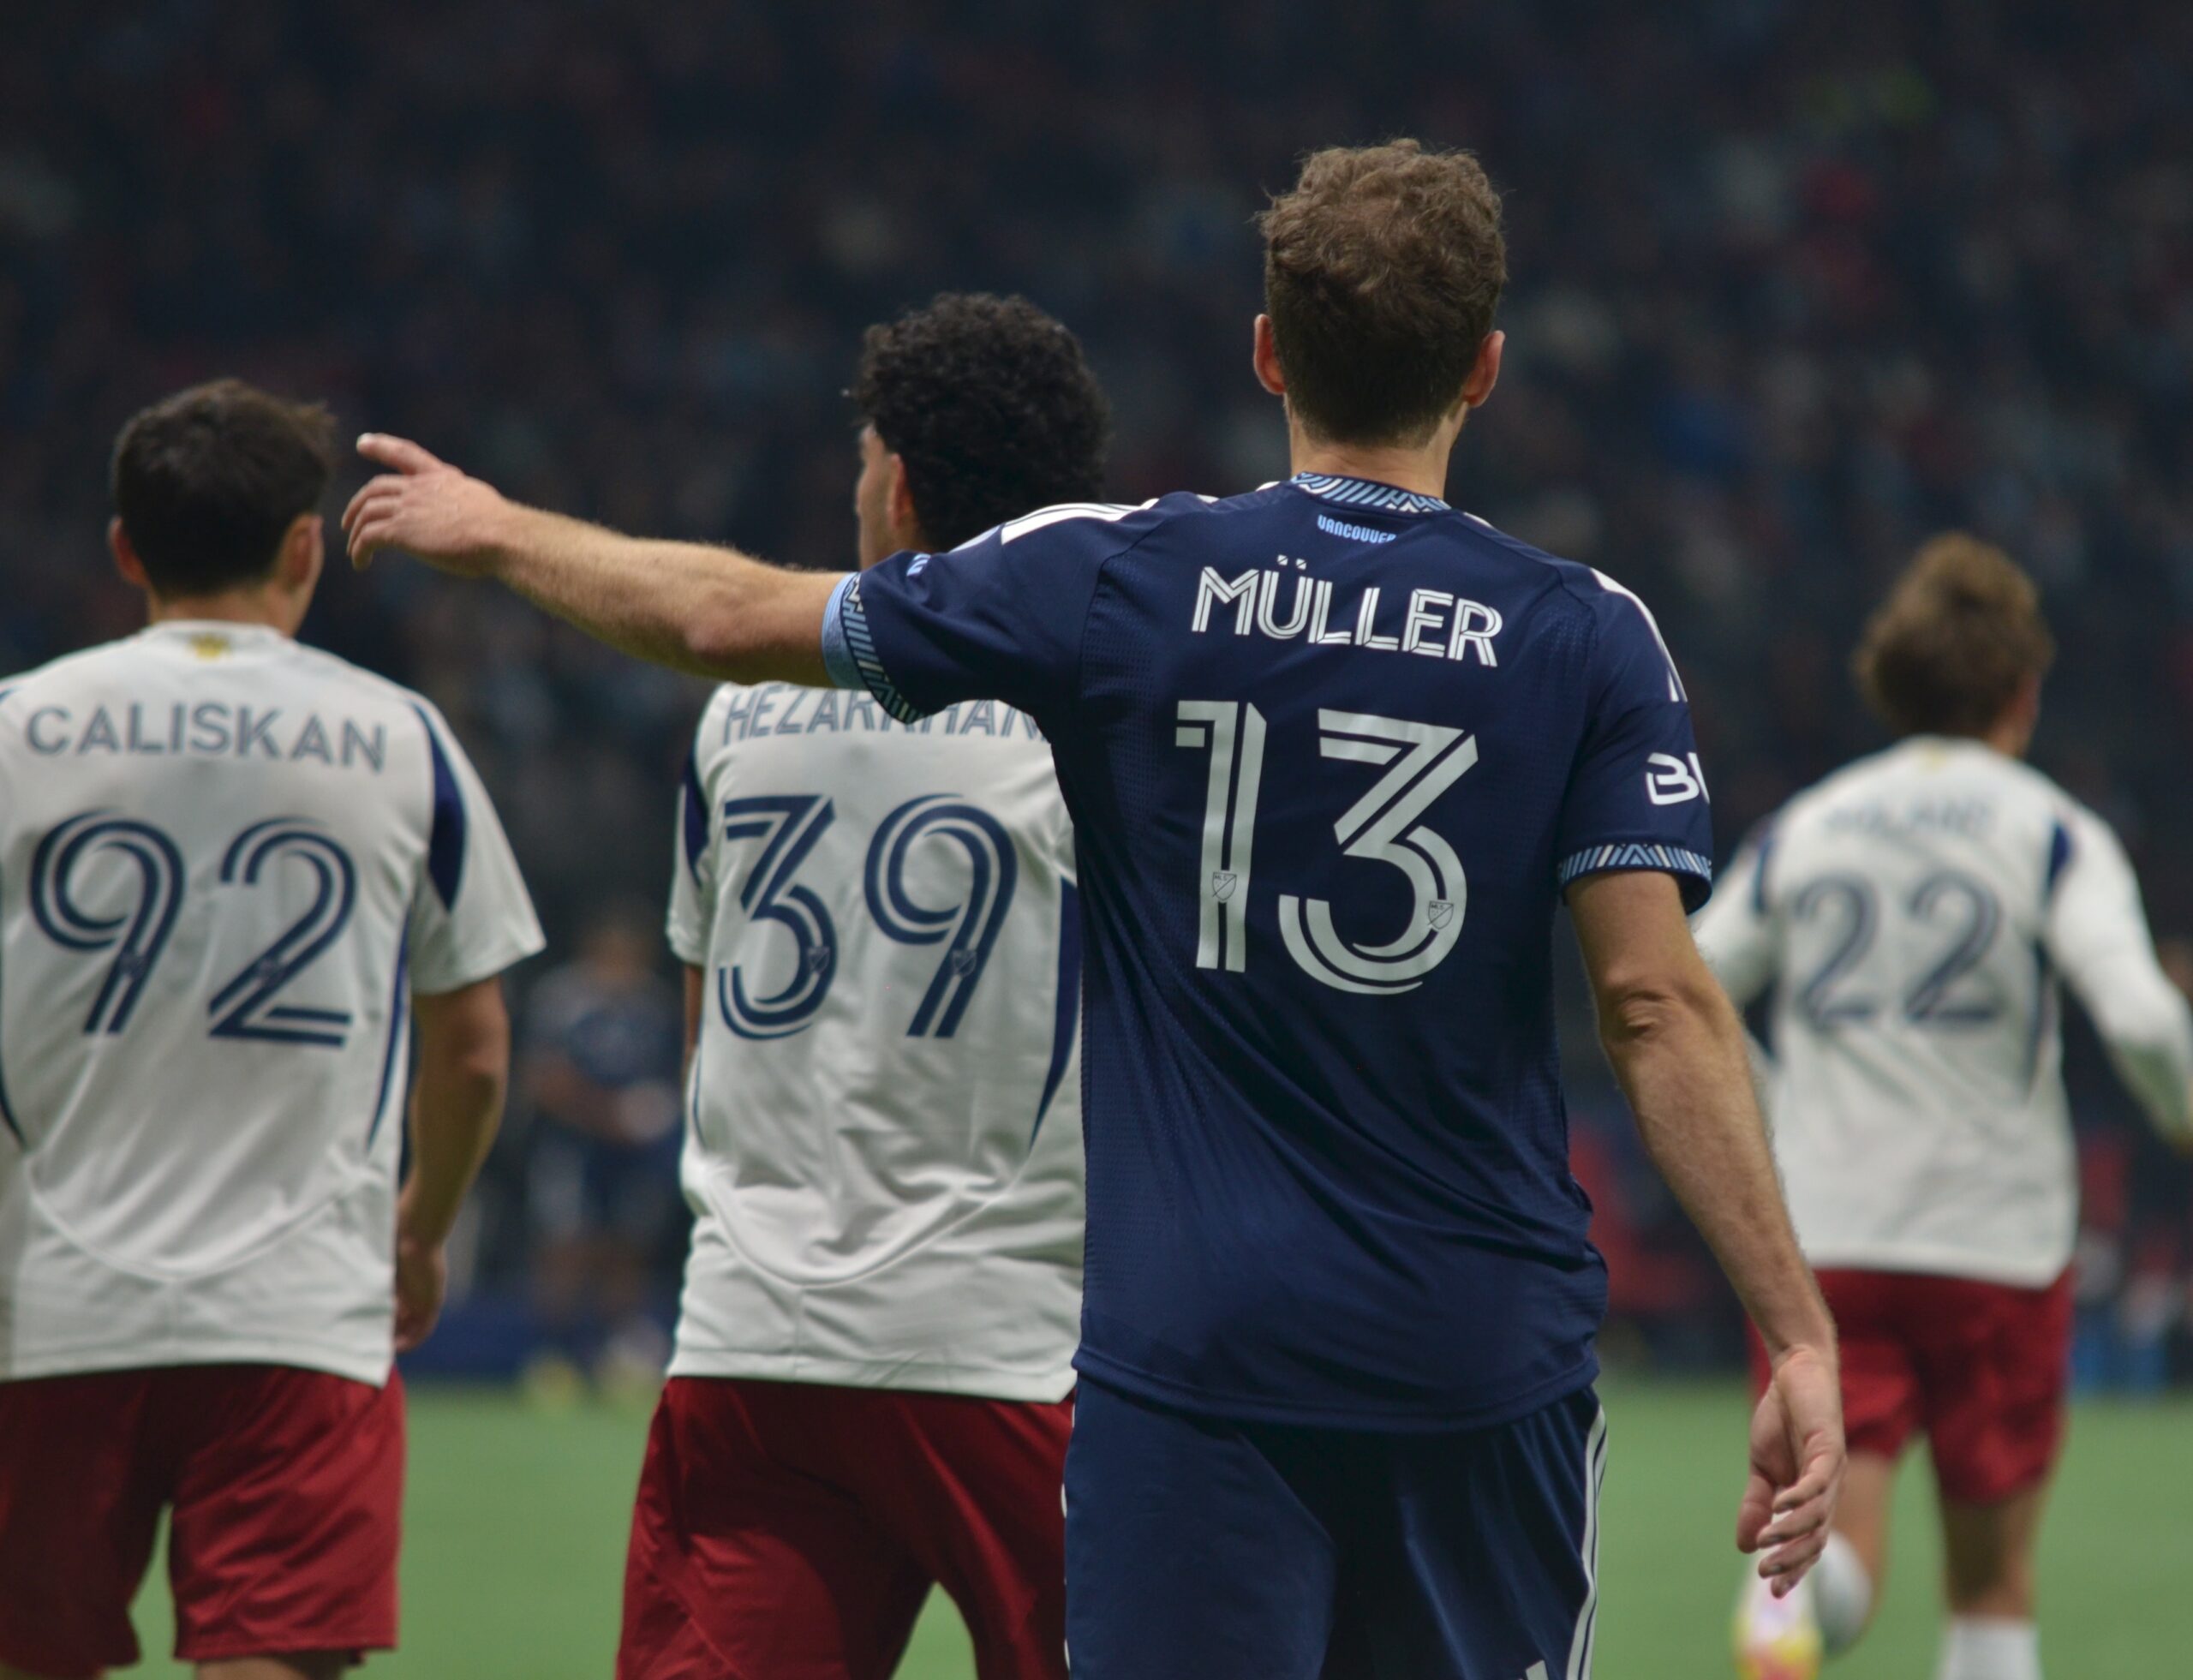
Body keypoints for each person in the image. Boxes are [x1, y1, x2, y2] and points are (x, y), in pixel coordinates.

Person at [344, 140, 1844, 1679]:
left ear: (1266, 351)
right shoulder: (1588, 638)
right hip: (1476, 1358)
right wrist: (1791, 1326)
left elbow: (726, 618)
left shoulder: (1123, 577)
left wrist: (496, 526)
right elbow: (1654, 1004)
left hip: (1191, 1368)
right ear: (1486, 367)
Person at [0, 380, 543, 1680]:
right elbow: (471, 1049)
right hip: (299, 1310)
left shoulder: (15, 731)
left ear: (126, 549)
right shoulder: (400, 738)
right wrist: (418, 1230)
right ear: (306, 547)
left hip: (46, 1307)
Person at [630, 293, 1103, 1680]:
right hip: (1021, 1350)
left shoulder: (738, 712)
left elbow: (703, 1013)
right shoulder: (1093, 705)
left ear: (895, 485)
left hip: (751, 1345)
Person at [1696, 535, 2193, 1680]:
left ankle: (1787, 1615)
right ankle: (1797, 1613)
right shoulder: (2050, 827)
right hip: (1995, 1241)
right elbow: (2148, 1023)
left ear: (1892, 685)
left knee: (1834, 1521)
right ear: (2023, 692)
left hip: (1823, 1240)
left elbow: (1693, 985)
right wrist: (2178, 1114)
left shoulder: (1809, 827)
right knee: (1990, 1581)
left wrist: (1770, 1121)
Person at [518, 903, 686, 1391]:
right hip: (575, 1147)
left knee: (626, 1247)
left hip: (635, 1153)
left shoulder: (653, 1005)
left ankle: (618, 1354)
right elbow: (543, 1077)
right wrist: (610, 1114)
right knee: (568, 1246)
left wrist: (655, 1110)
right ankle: (554, 1358)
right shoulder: (565, 999)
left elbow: (674, 1068)